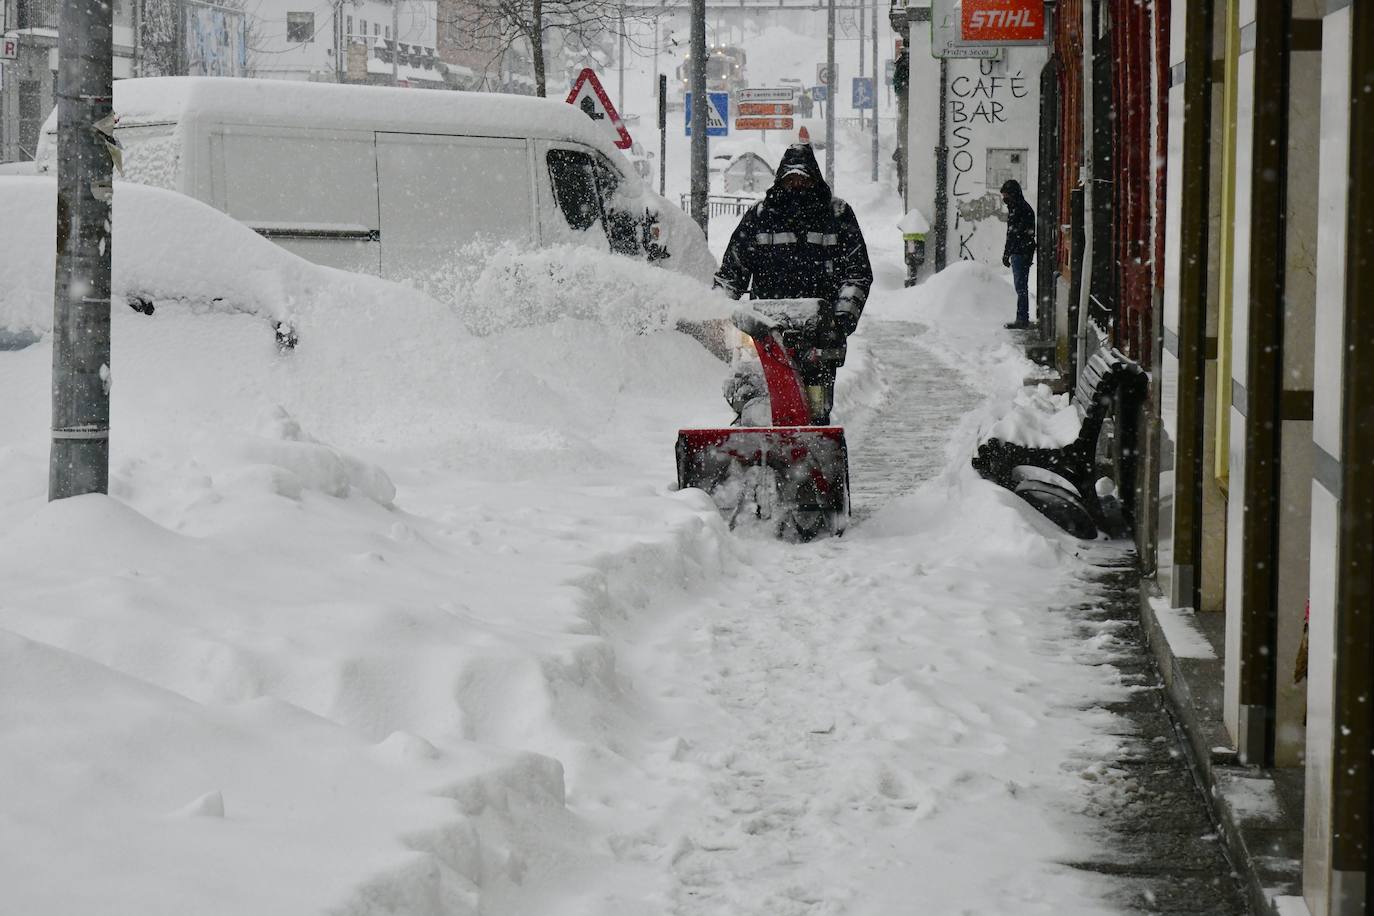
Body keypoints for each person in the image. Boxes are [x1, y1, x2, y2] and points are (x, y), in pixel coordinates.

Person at [714, 141, 873, 424]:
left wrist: (841, 318)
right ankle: (755, 446)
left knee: (814, 409)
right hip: (764, 335)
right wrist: (716, 307)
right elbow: (731, 272)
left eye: (803, 179)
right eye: (791, 179)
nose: (797, 185)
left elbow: (857, 273)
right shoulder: (760, 217)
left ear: (814, 179)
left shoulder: (837, 216)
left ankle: (811, 455)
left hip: (818, 335)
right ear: (780, 181)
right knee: (756, 398)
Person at [1000, 179, 1036, 330]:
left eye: (1006, 195)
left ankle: (1022, 319)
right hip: (1020, 251)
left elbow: (1015, 234)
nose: (1004, 199)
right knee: (1020, 286)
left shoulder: (1020, 209)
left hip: (1021, 252)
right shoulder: (1019, 208)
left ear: (1013, 194)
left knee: (1020, 287)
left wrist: (1008, 253)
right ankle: (1022, 317)